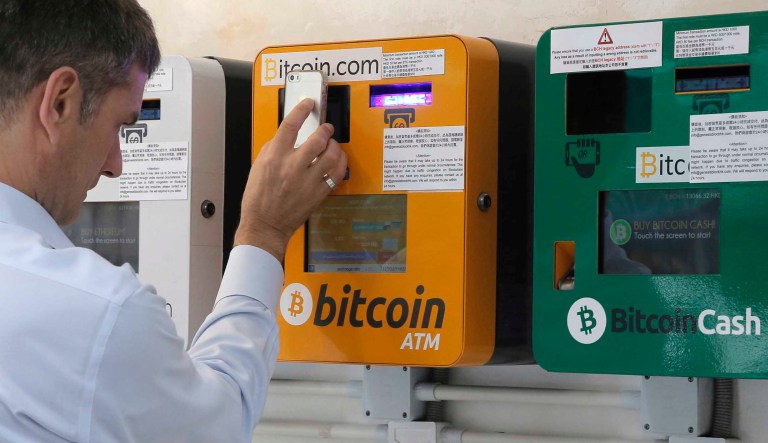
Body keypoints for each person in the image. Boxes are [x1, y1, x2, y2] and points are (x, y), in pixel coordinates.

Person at [0, 1, 347, 442]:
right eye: (121, 126)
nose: (116, 165)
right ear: (61, 103)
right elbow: (218, 422)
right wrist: (265, 231)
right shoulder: (95, 313)